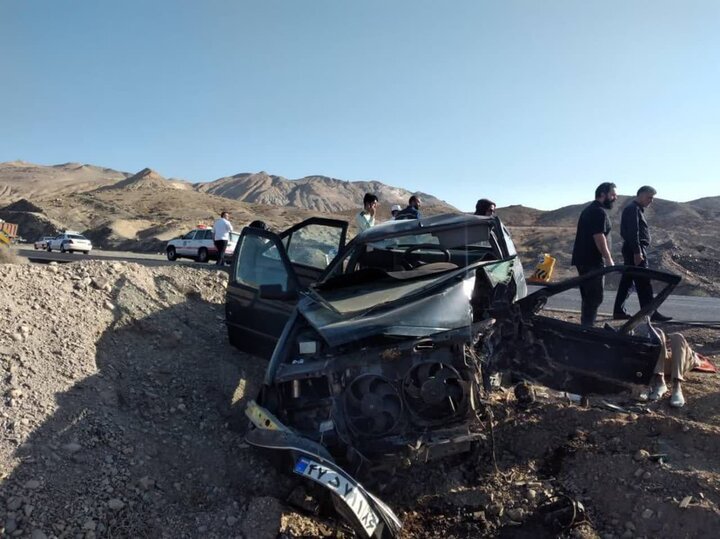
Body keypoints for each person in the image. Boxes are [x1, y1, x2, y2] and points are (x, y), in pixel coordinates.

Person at [613, 186, 672, 322]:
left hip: (633, 249)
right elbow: (634, 232)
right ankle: (650, 313)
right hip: (635, 249)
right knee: (644, 282)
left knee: (627, 282)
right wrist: (637, 252)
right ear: (640, 195)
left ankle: (619, 311)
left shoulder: (634, 209)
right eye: (649, 197)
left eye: (652, 198)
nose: (651, 201)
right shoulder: (633, 209)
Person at [571, 182, 617, 326]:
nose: (615, 198)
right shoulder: (598, 212)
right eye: (613, 194)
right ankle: (587, 328)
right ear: (603, 194)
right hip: (592, 261)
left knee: (589, 297)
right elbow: (599, 236)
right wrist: (608, 259)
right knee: (594, 297)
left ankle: (586, 326)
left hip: (584, 260)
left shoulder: (589, 210)